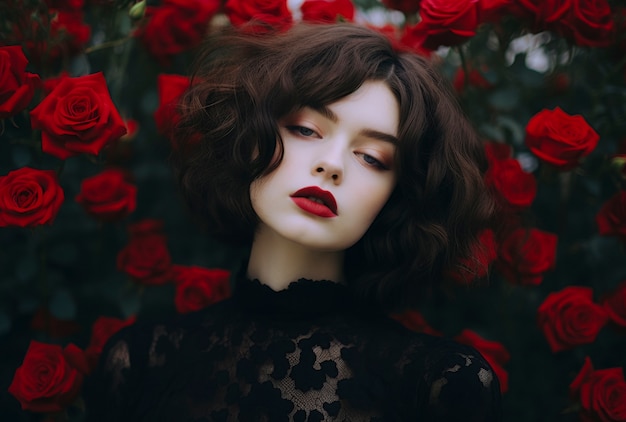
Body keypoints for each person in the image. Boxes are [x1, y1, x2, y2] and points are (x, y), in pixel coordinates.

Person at [84, 23, 501, 421]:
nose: (331, 165)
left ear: (398, 196)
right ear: (250, 138)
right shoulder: (139, 363)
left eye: (372, 158)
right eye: (305, 129)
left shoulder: (440, 385)